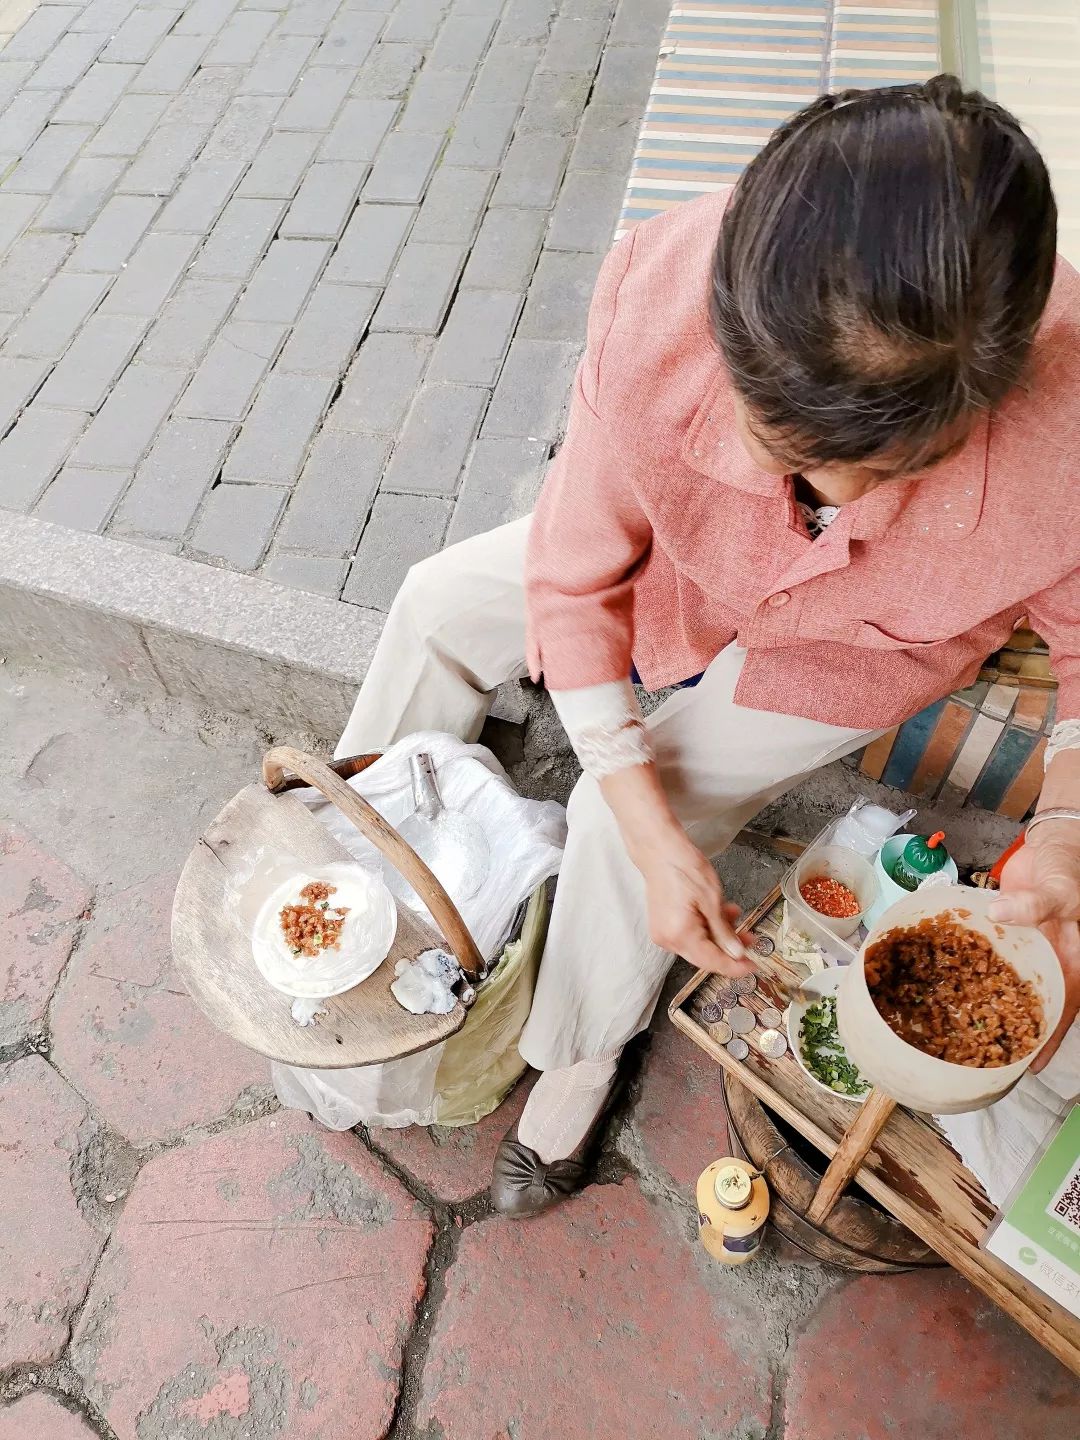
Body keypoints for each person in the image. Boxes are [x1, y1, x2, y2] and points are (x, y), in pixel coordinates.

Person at [338, 74, 1080, 1216]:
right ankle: (370, 869)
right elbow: (576, 568)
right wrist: (623, 779)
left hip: (853, 650)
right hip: (673, 562)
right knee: (438, 602)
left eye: (841, 469)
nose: (772, 465)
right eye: (752, 415)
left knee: (650, 812)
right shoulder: (666, 285)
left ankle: (581, 1040)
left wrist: (1070, 824)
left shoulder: (1067, 432)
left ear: (954, 427)